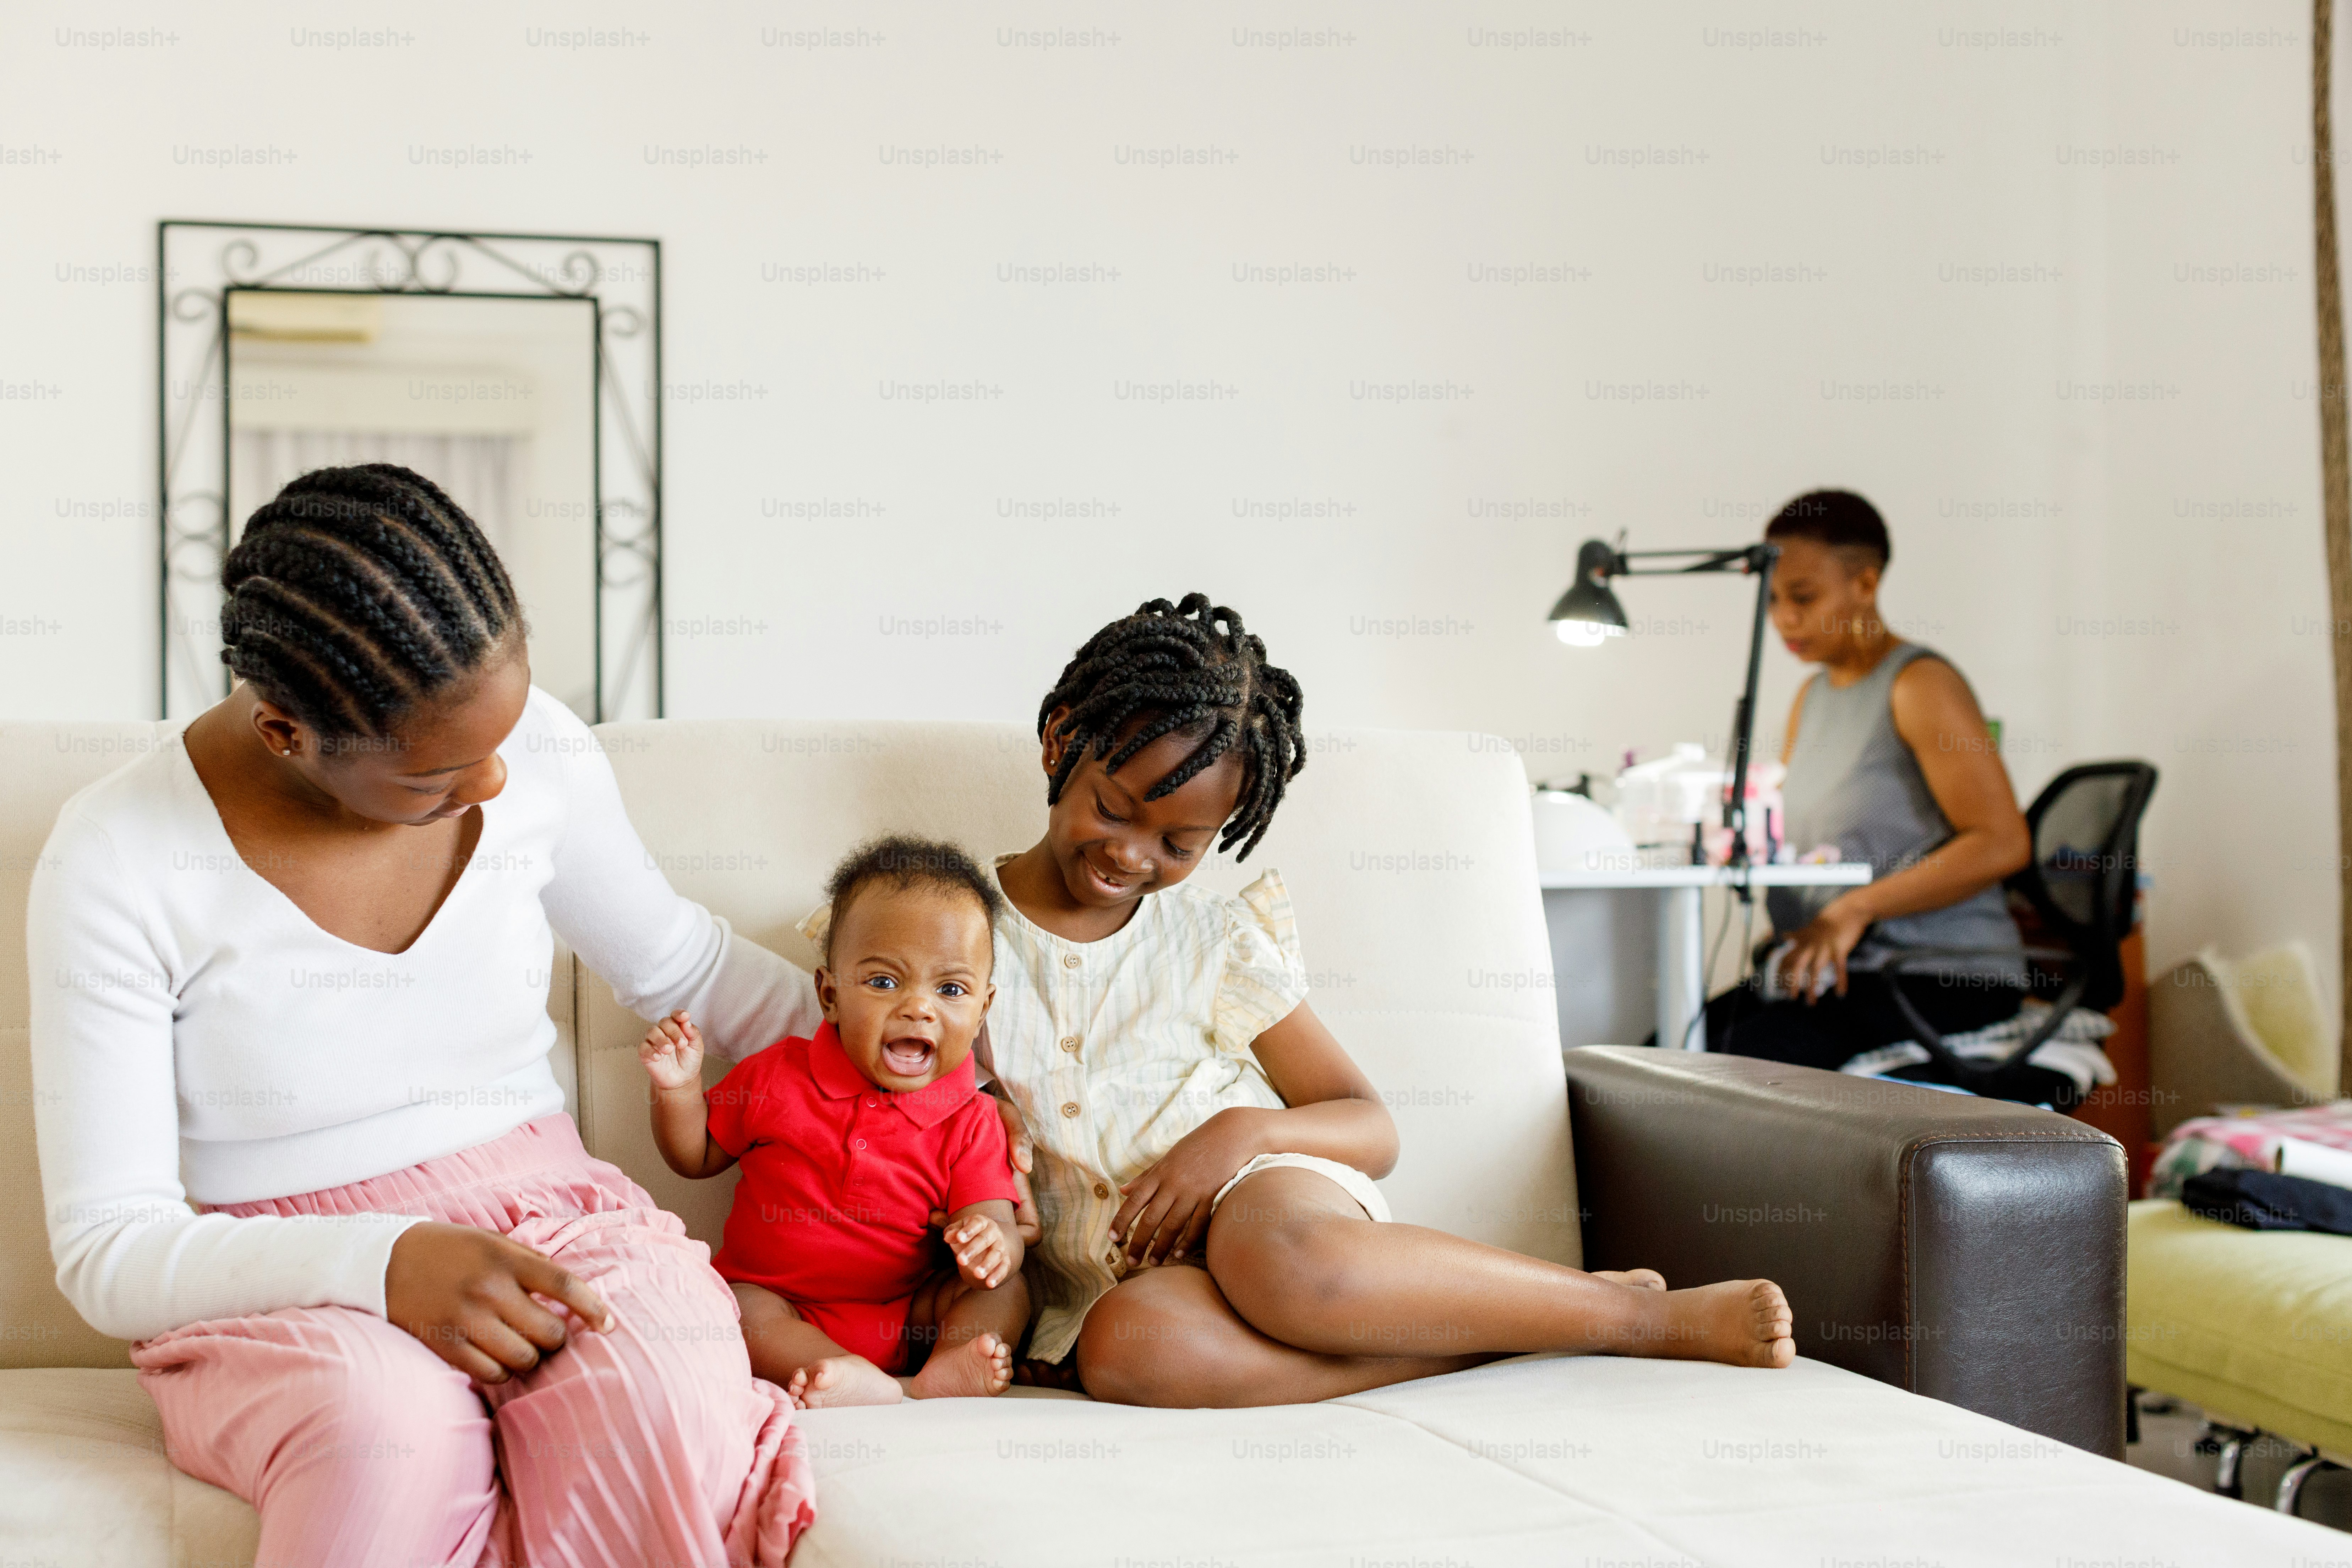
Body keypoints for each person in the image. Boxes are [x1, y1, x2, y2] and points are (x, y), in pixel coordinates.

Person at [29, 465, 817, 1567]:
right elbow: (110, 1250)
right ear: (286, 733)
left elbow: (681, 962)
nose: (494, 779)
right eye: (437, 773)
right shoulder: (115, 856)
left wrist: (944, 1084)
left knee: (653, 1394)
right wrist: (387, 1260)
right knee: (382, 1434)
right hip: (279, 1277)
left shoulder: (534, 752)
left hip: (555, 1216)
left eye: (501, 733)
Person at [976, 594, 1796, 1405]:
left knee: (1285, 1259)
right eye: (1112, 809)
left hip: (1259, 1197)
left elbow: (1368, 1125)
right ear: (1059, 741)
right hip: (1123, 1276)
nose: (1129, 853)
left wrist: (1238, 1134)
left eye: (1178, 845)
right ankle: (1490, 1345)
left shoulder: (1211, 940)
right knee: (1129, 1351)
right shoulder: (947, 936)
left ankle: (1630, 1319)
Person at [1702, 490, 2065, 1103]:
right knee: (1665, 1049)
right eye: (1771, 600)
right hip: (1843, 974)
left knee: (1737, 1076)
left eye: (1802, 597)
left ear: (1865, 584)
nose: (1783, 619)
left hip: (1935, 973)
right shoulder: (1810, 699)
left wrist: (1852, 909)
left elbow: (2002, 842)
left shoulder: (1918, 685)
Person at [639, 836, 1028, 1408]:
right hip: (780, 1302)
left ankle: (949, 1366)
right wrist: (677, 1088)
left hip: (909, 1310)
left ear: (982, 1010)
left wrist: (992, 1244)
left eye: (950, 989)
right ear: (829, 995)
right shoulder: (777, 1074)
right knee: (733, 1308)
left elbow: (993, 1215)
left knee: (1006, 1290)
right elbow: (694, 1155)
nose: (918, 1007)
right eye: (883, 981)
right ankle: (830, 1369)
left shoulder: (972, 1117)